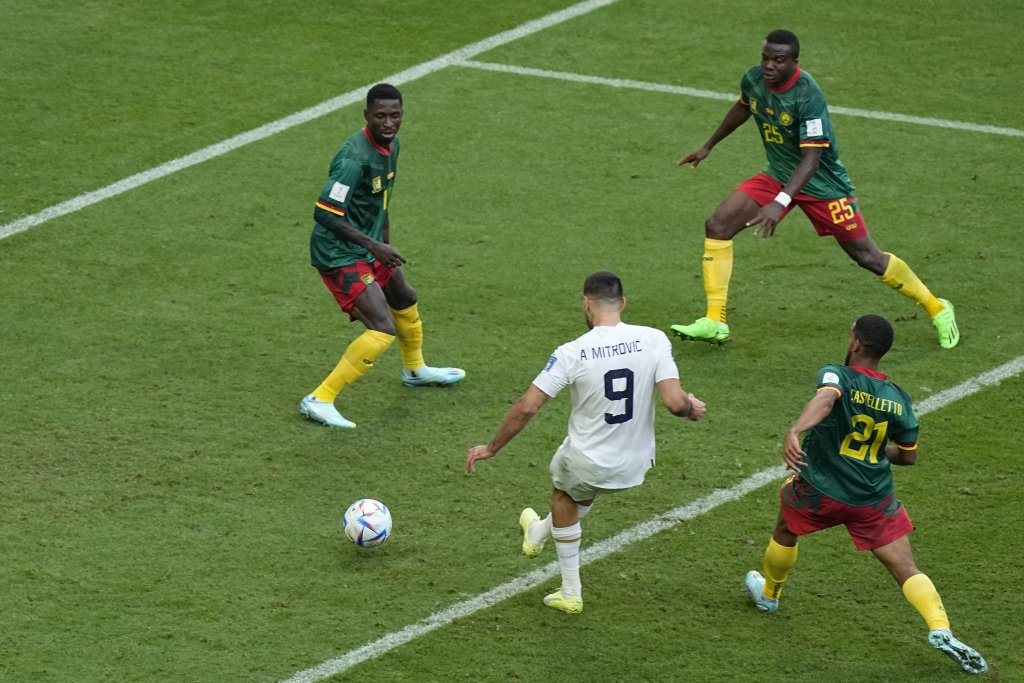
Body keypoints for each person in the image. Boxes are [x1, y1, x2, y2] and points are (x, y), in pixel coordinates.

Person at [670, 29, 959, 350]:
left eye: (778, 60)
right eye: (765, 58)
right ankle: (715, 321)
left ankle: (938, 308)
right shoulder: (753, 79)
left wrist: (780, 202)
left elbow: (811, 160)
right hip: (779, 175)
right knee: (718, 225)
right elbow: (744, 106)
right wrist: (708, 145)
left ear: (794, 62)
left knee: (868, 257)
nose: (769, 66)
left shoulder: (807, 95)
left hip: (822, 185)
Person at [744, 314, 986, 674]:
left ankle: (769, 596)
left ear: (856, 343)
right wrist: (876, 448)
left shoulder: (837, 374)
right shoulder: (898, 398)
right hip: (873, 498)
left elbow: (827, 399)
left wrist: (796, 429)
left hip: (822, 489)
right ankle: (940, 627)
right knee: (905, 567)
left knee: (785, 528)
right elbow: (908, 456)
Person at [466, 271, 706, 613]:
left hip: (590, 461)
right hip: (637, 463)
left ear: (586, 304)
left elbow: (528, 406)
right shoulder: (654, 339)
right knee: (579, 488)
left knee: (564, 492)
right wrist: (690, 407)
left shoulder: (573, 352)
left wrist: (492, 447)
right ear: (623, 303)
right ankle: (537, 531)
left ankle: (570, 592)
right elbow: (673, 402)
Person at [299, 83, 464, 429]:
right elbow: (324, 213)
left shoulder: (391, 146)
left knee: (404, 297)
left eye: (395, 115)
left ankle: (415, 370)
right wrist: (374, 246)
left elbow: (380, 200)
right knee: (382, 328)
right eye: (380, 116)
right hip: (338, 253)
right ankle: (320, 399)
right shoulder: (353, 159)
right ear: (366, 116)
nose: (388, 123)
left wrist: (382, 243)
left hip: (369, 244)